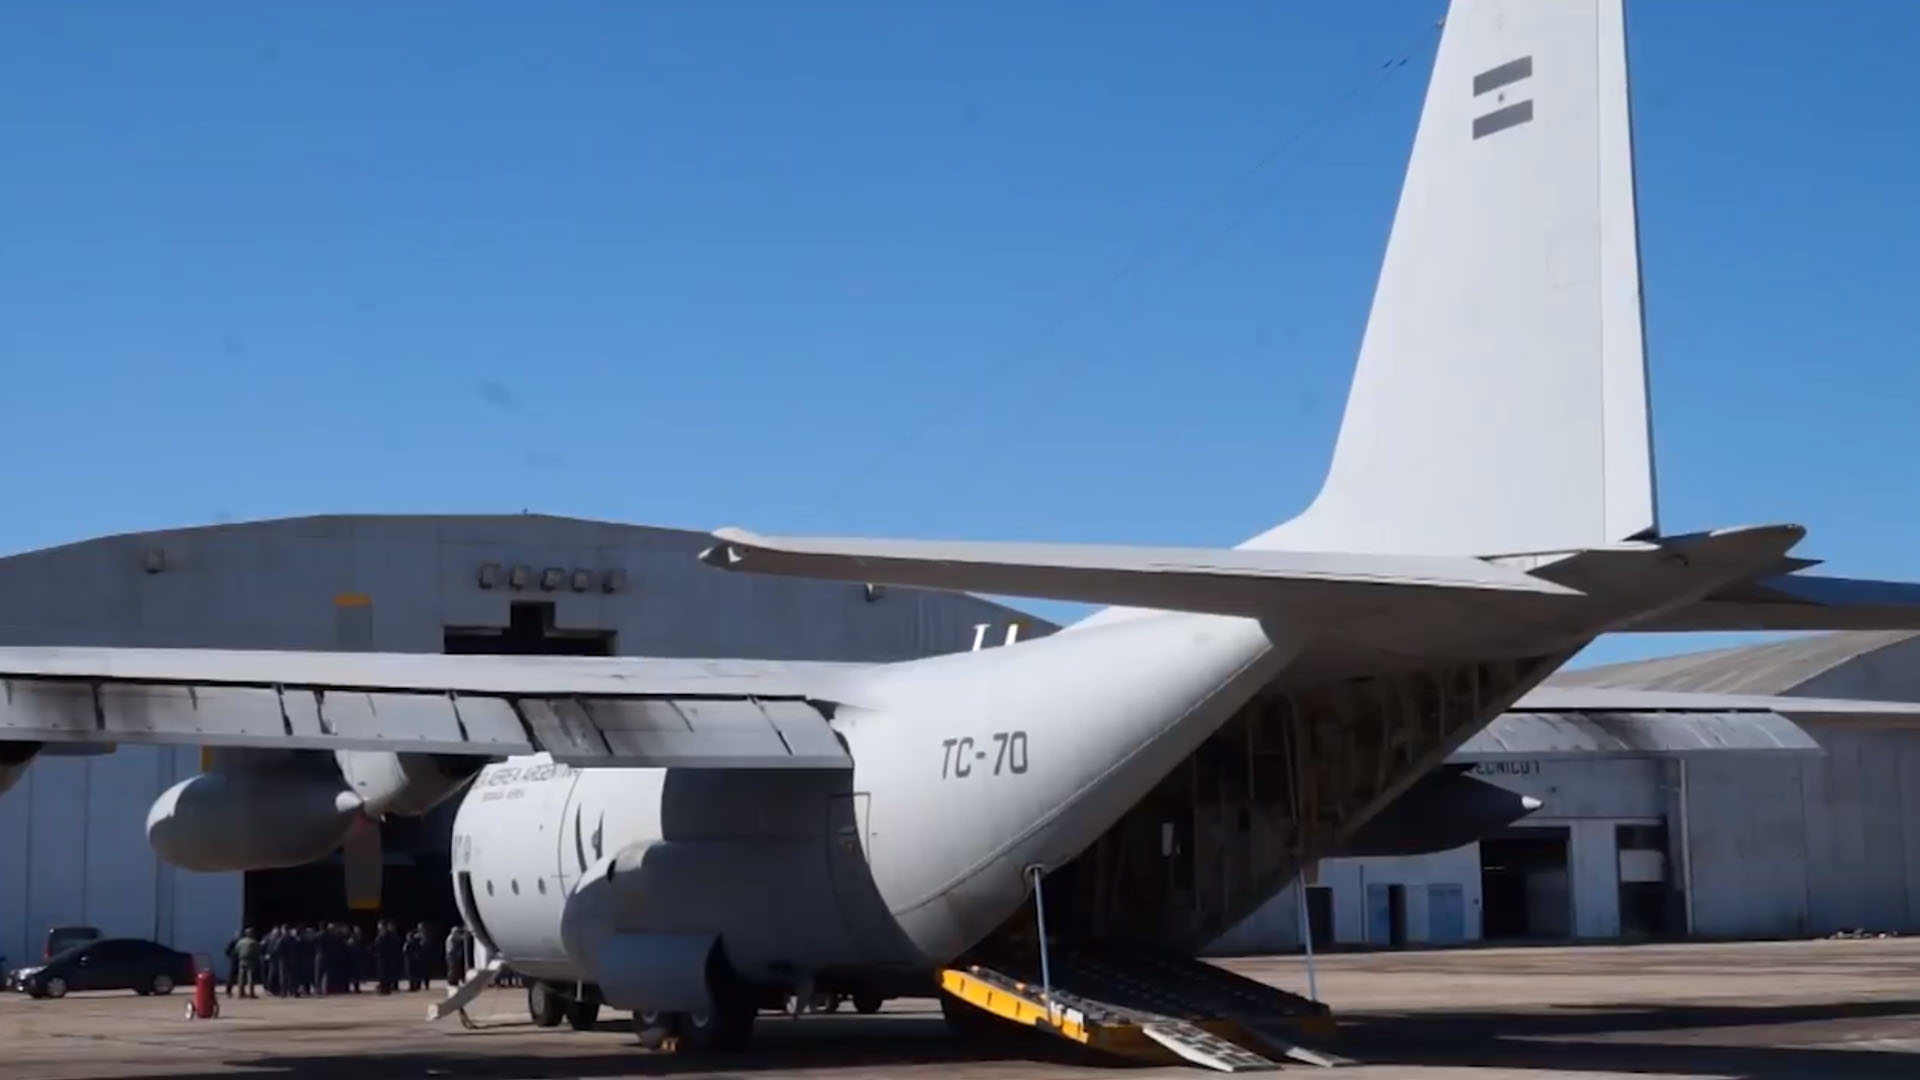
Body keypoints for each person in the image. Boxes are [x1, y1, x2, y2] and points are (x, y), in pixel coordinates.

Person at [233, 928, 260, 998]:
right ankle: (251, 993)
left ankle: (240, 993)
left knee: (241, 977)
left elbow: (236, 950)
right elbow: (257, 951)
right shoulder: (253, 942)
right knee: (250, 977)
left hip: (242, 960)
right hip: (250, 960)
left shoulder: (240, 942)